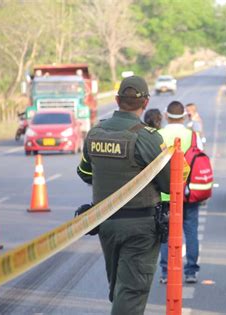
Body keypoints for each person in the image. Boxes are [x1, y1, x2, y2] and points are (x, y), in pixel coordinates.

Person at [76, 76, 170, 315]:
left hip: (105, 223)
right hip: (140, 226)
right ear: (146, 102)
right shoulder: (147, 137)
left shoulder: (96, 133)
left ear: (117, 100)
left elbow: (86, 173)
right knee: (131, 290)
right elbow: (170, 184)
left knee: (119, 286)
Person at [159, 101, 203, 284]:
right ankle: (191, 271)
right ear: (184, 116)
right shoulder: (193, 136)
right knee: (191, 231)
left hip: (164, 194)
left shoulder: (158, 135)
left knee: (166, 233)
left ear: (165, 115)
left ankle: (165, 273)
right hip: (188, 193)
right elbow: (200, 158)